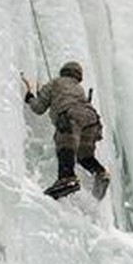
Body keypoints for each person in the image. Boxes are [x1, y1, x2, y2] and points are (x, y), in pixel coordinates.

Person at [22, 60, 110, 199]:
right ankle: (100, 173)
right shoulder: (78, 88)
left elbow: (39, 108)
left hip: (71, 115)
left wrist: (30, 97)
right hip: (92, 120)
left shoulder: (55, 83)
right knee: (84, 156)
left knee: (65, 145)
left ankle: (67, 177)